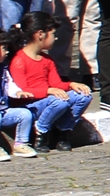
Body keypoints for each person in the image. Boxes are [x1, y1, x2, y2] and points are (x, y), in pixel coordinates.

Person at [6, 13, 92, 151]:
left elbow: (56, 84)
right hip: (30, 105)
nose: (55, 38)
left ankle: (63, 130)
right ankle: (41, 132)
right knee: (59, 101)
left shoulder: (47, 60)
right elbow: (22, 91)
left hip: (49, 101)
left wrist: (71, 85)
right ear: (40, 34)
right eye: (53, 34)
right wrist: (48, 91)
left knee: (84, 95)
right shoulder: (19, 60)